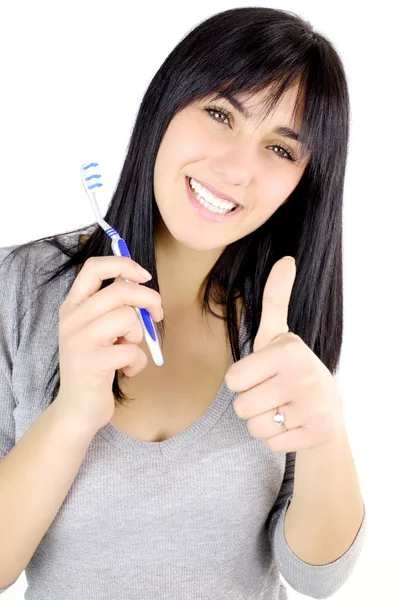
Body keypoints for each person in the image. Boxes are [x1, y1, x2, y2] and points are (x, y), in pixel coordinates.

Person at [0, 6, 366, 599]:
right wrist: (72, 415)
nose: (236, 170)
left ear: (305, 179)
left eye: (280, 150)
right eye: (220, 114)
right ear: (165, 108)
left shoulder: (283, 318)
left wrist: (327, 433)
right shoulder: (19, 288)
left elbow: (315, 575)